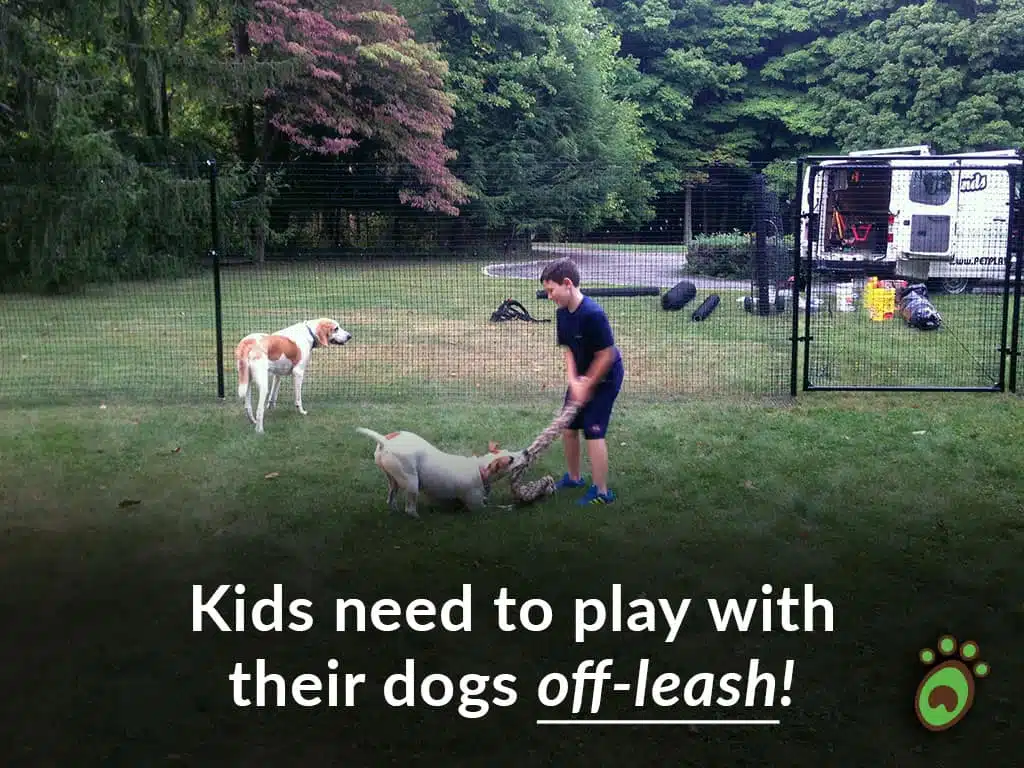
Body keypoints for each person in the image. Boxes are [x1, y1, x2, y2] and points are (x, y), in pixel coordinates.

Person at [539, 258, 625, 505]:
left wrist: (588, 384)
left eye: (551, 290)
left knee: (593, 431)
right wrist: (574, 382)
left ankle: (601, 492)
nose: (549, 296)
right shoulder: (562, 314)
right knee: (568, 427)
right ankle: (574, 477)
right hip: (582, 375)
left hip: (606, 376)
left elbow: (606, 355)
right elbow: (568, 350)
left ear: (567, 284)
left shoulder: (593, 314)